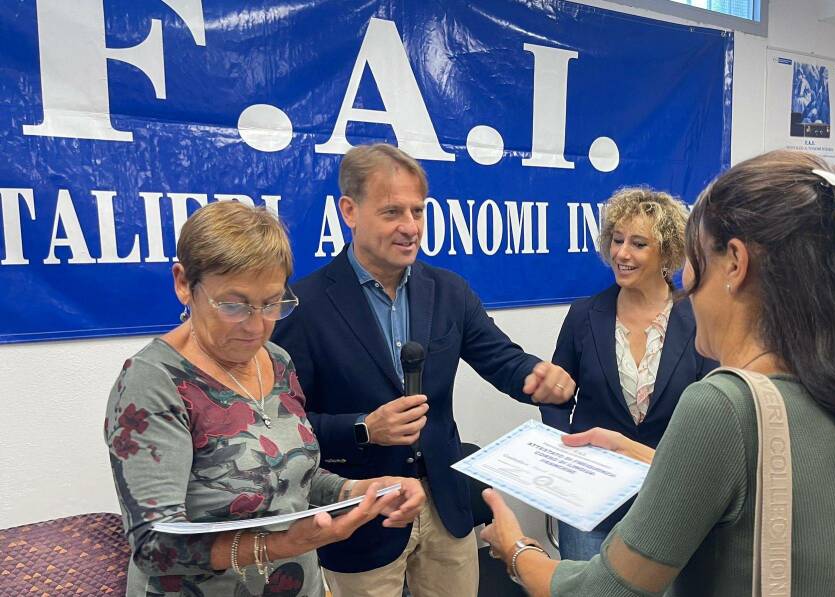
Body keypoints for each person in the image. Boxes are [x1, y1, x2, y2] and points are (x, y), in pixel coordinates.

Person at [480, 150, 835, 596]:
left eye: (696, 260)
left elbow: (604, 591)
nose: (690, 285)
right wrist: (643, 456)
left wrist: (517, 549)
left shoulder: (723, 405)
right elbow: (757, 489)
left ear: (734, 263)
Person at [270, 143, 575, 596]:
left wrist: (535, 376)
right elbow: (283, 426)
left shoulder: (448, 291)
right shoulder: (305, 305)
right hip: (363, 515)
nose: (410, 227)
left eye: (418, 211)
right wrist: (362, 428)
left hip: (446, 505)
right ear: (349, 211)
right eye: (393, 212)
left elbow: (501, 359)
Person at [104, 201, 425, 596]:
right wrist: (281, 545)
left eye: (272, 303)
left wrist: (362, 492)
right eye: (234, 305)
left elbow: (292, 479)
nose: (256, 326)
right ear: (184, 283)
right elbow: (154, 546)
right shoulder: (154, 382)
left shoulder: (276, 361)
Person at [540, 187, 716, 561]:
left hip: (671, 502)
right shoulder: (584, 315)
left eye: (638, 244)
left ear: (667, 253)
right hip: (590, 502)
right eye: (617, 240)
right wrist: (565, 454)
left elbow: (712, 410)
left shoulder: (698, 318)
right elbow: (555, 396)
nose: (622, 253)